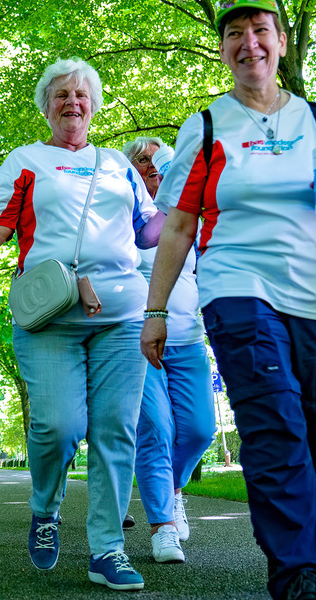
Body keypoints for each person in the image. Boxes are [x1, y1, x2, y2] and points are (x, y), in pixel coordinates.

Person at [0, 57, 164, 591]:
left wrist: (197, 208)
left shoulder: (118, 165)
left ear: (94, 105)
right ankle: (45, 511)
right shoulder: (26, 161)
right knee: (58, 426)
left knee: (116, 429)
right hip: (50, 315)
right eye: (61, 95)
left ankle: (108, 549)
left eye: (81, 95)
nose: (72, 102)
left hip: (120, 314)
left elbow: (150, 231)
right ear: (46, 106)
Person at [141, 1, 316, 598]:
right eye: (235, 34)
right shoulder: (209, 126)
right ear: (224, 50)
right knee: (276, 427)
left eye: (261, 31)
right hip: (238, 290)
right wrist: (157, 311)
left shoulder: (313, 120)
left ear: (283, 43)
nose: (249, 43)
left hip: (311, 295)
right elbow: (178, 226)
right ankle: (298, 573)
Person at [123, 137, 215, 564]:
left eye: (157, 161)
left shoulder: (191, 215)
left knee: (199, 430)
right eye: (143, 162)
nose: (153, 168)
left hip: (189, 338)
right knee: (156, 429)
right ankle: (162, 526)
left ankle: (174, 489)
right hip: (138, 339)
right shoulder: (125, 217)